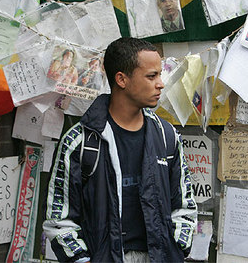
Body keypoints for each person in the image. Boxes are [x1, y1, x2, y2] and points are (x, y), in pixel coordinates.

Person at [43, 37, 197, 263]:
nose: (161, 84)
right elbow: (59, 219)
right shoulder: (81, 141)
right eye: (151, 76)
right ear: (122, 79)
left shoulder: (166, 136)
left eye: (160, 75)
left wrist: (176, 249)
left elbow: (184, 205)